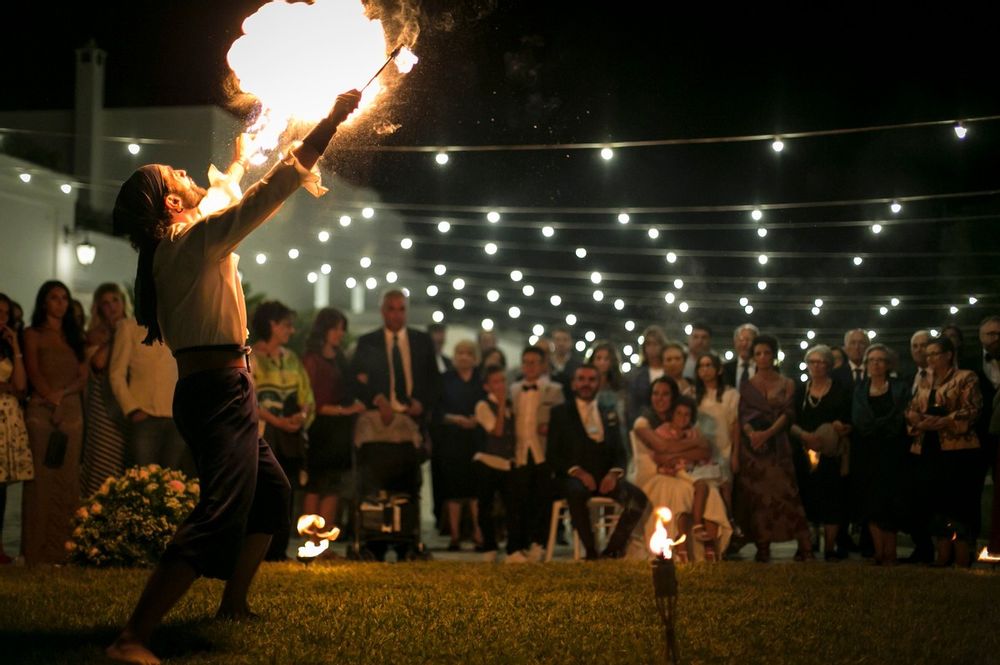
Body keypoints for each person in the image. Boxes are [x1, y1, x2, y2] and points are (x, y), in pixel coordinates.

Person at [106, 88, 361, 665]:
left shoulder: (179, 243)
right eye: (176, 174)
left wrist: (243, 158)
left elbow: (226, 197)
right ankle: (132, 637)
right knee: (221, 510)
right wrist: (329, 124)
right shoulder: (191, 243)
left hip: (218, 389)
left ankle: (233, 605)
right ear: (172, 204)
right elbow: (265, 197)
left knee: (272, 491)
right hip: (218, 392)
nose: (189, 171)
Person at [548, 364, 648, 560]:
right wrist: (578, 472)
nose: (586, 384)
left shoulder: (608, 412)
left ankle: (612, 551)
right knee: (576, 491)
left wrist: (614, 474)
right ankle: (591, 553)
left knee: (638, 500)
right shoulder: (560, 412)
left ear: (599, 383)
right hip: (573, 478)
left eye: (591, 379)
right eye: (582, 379)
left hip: (605, 478)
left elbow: (620, 452)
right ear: (574, 384)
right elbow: (552, 454)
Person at [22, 280, 88, 566]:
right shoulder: (32, 334)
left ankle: (63, 549)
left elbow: (83, 376)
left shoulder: (76, 337)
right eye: (53, 297)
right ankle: (35, 551)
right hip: (41, 409)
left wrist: (62, 397)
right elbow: (33, 371)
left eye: (64, 298)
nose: (60, 303)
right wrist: (51, 398)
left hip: (71, 410)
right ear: (43, 302)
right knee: (41, 479)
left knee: (67, 479)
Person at [905, 336, 982, 567]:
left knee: (957, 502)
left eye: (934, 354)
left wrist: (943, 421)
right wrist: (918, 421)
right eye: (927, 355)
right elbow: (910, 410)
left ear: (948, 354)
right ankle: (942, 553)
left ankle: (961, 553)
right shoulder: (923, 381)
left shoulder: (965, 377)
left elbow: (972, 409)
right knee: (934, 499)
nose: (930, 359)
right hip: (927, 448)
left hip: (956, 450)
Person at [736, 334, 813, 562]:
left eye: (766, 353)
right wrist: (753, 436)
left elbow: (788, 414)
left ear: (774, 355)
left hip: (779, 447)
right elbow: (743, 416)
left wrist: (768, 434)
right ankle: (762, 547)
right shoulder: (747, 386)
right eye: (758, 353)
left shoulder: (787, 383)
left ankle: (805, 545)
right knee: (759, 499)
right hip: (754, 451)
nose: (762, 357)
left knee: (787, 495)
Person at [251, 300, 315, 561]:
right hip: (264, 435)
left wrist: (300, 417)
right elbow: (249, 399)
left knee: (287, 491)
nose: (292, 330)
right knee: (263, 491)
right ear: (272, 325)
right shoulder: (251, 358)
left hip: (289, 437)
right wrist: (277, 421)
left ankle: (278, 549)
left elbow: (307, 394)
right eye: (287, 325)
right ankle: (257, 550)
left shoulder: (291, 359)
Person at [301, 307, 363, 547]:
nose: (339, 334)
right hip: (321, 428)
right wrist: (343, 410)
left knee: (333, 487)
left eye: (342, 329)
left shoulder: (339, 359)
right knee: (316, 484)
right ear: (324, 330)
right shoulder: (312, 359)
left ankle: (322, 542)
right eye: (335, 329)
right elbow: (312, 399)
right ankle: (310, 539)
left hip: (339, 430)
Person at [789, 345, 852, 561]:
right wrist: (805, 437)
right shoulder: (800, 390)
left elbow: (849, 420)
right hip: (804, 452)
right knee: (806, 498)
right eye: (812, 362)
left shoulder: (840, 390)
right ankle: (807, 545)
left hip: (831, 454)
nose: (816, 366)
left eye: (821, 362)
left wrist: (840, 427)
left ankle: (830, 548)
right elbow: (791, 421)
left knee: (832, 499)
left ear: (829, 365)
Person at [851, 343, 910, 565]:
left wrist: (883, 427)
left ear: (888, 364)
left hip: (893, 451)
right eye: (872, 360)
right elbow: (858, 418)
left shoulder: (900, 387)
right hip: (867, 452)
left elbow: (900, 415)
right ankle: (879, 551)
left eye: (880, 360)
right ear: (866, 365)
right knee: (871, 501)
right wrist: (877, 427)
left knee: (891, 502)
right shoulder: (859, 389)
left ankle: (891, 552)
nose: (876, 364)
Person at [350, 290, 440, 433]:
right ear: (383, 311)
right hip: (380, 418)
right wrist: (377, 399)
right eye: (391, 309)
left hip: (414, 419)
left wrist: (422, 403)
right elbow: (356, 381)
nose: (397, 315)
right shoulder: (368, 342)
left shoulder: (422, 341)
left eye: (401, 309)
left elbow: (434, 379)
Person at [109, 314, 187, 473]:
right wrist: (132, 409)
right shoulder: (129, 327)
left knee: (173, 481)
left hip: (176, 417)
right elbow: (116, 373)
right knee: (144, 478)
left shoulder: (179, 326)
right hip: (144, 415)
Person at [507, 346, 564, 562]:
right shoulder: (513, 390)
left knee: (541, 500)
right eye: (526, 362)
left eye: (534, 362)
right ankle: (518, 545)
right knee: (519, 499)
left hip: (542, 451)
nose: (529, 366)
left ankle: (538, 543)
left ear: (542, 365)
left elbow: (561, 422)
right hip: (519, 451)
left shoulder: (554, 390)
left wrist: (550, 428)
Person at [434, 340, 485, 551]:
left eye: (468, 353)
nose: (464, 357)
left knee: (476, 490)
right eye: (459, 353)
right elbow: (436, 410)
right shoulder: (444, 380)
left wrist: (478, 419)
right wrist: (454, 419)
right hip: (451, 440)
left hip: (476, 440)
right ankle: (454, 535)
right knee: (453, 490)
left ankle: (478, 533)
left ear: (475, 357)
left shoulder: (481, 381)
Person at [81, 283, 130, 497]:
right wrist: (116, 335)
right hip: (103, 404)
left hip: (127, 403)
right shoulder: (95, 335)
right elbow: (98, 363)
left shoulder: (133, 328)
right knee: (102, 457)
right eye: (105, 303)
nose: (111, 307)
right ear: (99, 308)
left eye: (115, 301)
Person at [0, 293, 32, 565]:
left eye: (5, 313)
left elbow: (20, 386)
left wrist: (16, 346)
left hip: (7, 418)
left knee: (2, 487)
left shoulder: (8, 347)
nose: (2, 318)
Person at [473, 365, 516, 562]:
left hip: (508, 463)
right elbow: (496, 431)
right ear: (487, 386)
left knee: (511, 506)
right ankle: (489, 546)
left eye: (503, 381)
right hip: (488, 462)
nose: (501, 386)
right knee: (486, 507)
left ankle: (512, 547)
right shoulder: (482, 406)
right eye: (496, 382)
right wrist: (500, 406)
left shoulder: (511, 405)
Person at [694, 352, 740, 535]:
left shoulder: (730, 394)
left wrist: (735, 455)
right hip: (700, 454)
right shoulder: (694, 396)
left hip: (724, 451)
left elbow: (735, 426)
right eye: (701, 366)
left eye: (709, 365)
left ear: (719, 369)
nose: (705, 370)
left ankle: (728, 530)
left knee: (725, 491)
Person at [976, 315, 1000, 557]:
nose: (995, 339)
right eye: (990, 334)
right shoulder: (971, 363)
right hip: (979, 436)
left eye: (998, 334)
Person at [626, 325, 667, 428]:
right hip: (643, 424)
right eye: (648, 344)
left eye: (656, 344)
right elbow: (633, 405)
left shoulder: (669, 371)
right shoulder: (637, 375)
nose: (652, 348)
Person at [722, 323, 759, 390]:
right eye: (741, 340)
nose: (744, 344)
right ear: (735, 342)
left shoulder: (764, 369)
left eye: (748, 340)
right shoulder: (725, 369)